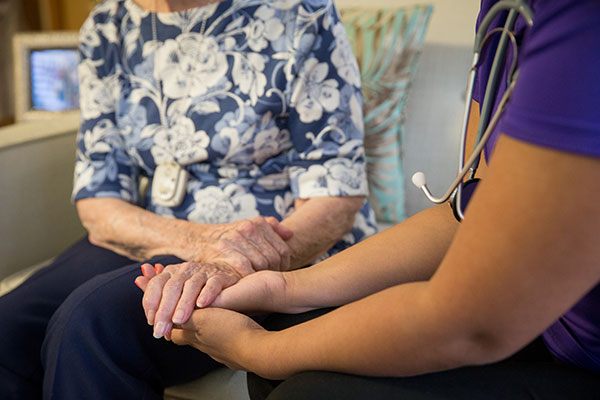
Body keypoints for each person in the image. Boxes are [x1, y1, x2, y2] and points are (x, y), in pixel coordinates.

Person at [136, 0, 600, 398]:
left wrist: (256, 350)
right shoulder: (506, 13)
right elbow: (470, 212)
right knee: (286, 336)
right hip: (545, 322)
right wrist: (285, 290)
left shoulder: (579, 21)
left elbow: (475, 320)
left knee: (309, 388)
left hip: (575, 346)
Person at [0, 0, 377, 398]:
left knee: (92, 323)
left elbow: (334, 199)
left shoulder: (301, 13)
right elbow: (100, 201)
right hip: (162, 232)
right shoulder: (109, 24)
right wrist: (203, 241)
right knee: (8, 326)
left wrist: (239, 258)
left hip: (279, 243)